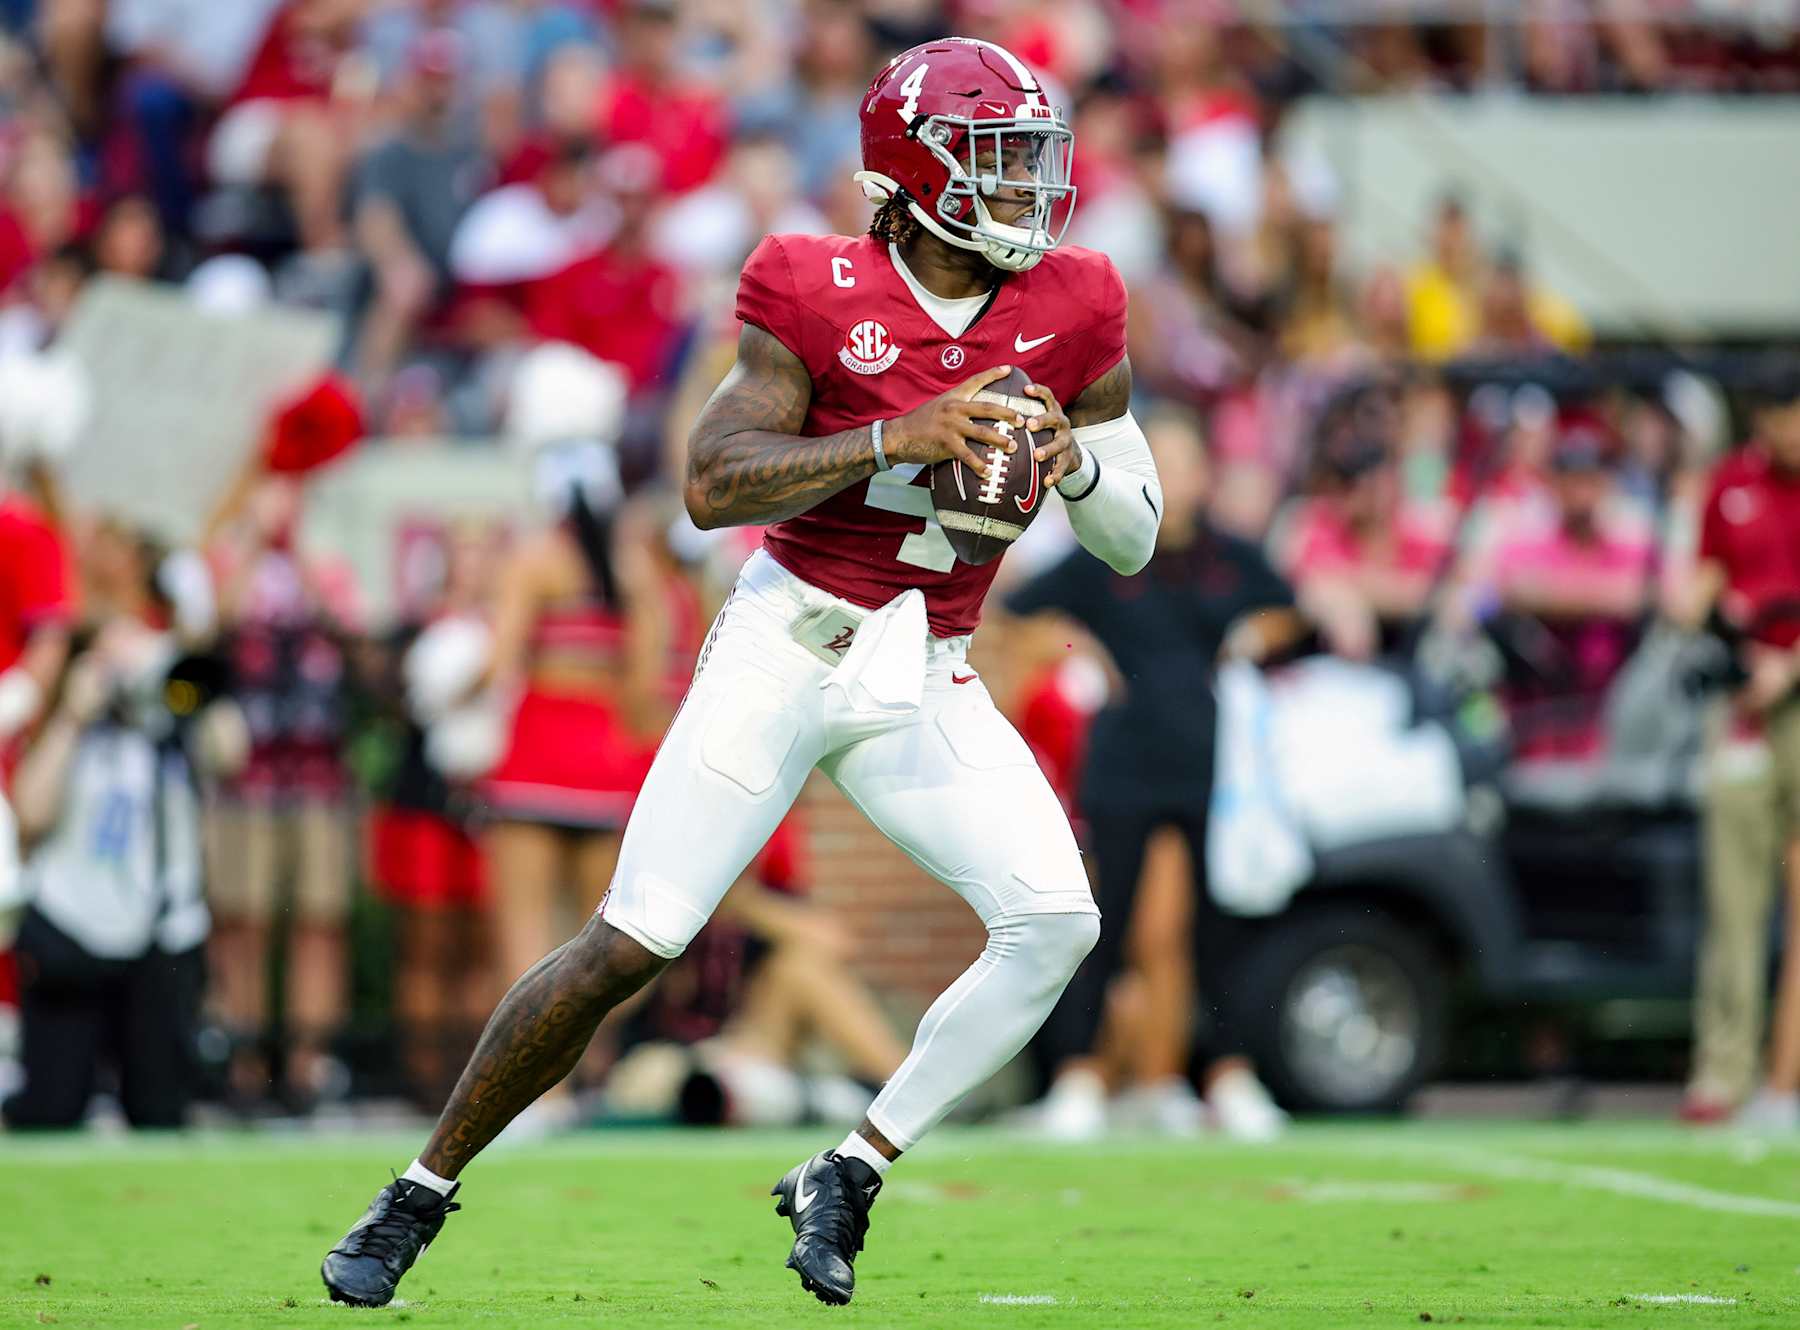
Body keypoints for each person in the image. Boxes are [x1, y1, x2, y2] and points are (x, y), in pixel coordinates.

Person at [320, 36, 1161, 1310]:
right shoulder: (813, 284)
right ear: (913, 171)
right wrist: (894, 433)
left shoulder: (1078, 301)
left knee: (1057, 920)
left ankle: (853, 1167)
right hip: (789, 637)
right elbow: (713, 484)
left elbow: (1135, 534)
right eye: (995, 163)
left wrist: (1080, 461)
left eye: (1033, 162)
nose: (1024, 191)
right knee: (636, 937)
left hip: (926, 665)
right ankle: (416, 1193)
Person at [1008, 409, 1304, 1142]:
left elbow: (1289, 613)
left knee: (1217, 927)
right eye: (1159, 462)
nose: (1173, 477)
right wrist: (1074, 648)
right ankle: (1078, 1081)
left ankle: (1229, 1077)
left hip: (1209, 768)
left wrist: (1253, 637)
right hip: (1122, 767)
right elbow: (1016, 608)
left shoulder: (1231, 558)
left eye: (1184, 462)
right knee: (1102, 927)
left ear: (1207, 476)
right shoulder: (1108, 549)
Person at [1, 533, 212, 1130]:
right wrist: (73, 714)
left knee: (160, 1111)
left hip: (161, 928)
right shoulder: (71, 701)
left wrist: (182, 677)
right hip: (70, 924)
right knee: (51, 1111)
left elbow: (230, 752)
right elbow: (32, 813)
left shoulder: (172, 703)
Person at [1676, 384, 1800, 1128]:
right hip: (1743, 701)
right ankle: (1723, 1075)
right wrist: (1706, 619)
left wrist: (1787, 668)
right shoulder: (1731, 485)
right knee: (1733, 894)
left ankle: (1786, 1081)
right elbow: (1706, 577)